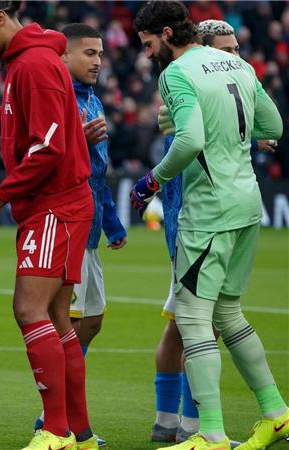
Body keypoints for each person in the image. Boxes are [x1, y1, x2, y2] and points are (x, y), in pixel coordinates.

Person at [132, 2, 287, 449]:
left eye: (148, 44)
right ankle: (276, 413)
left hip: (210, 211)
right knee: (228, 313)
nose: (146, 54)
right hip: (247, 201)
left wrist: (150, 182)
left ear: (166, 32)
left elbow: (191, 140)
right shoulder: (235, 62)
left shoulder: (176, 73)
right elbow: (272, 124)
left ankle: (212, 434)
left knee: (195, 321)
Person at [0, 2, 96, 449]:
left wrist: (1, 194)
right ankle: (81, 433)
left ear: (1, 18)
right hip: (58, 203)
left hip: (55, 205)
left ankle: (55, 432)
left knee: (28, 310)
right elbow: (27, 130)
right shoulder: (25, 61)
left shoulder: (34, 64)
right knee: (57, 317)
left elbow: (48, 146)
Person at [28, 22, 128, 446]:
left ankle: (63, 409)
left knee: (92, 322)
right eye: (89, 53)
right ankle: (57, 416)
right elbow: (42, 158)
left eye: (101, 54)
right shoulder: (59, 98)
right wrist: (76, 141)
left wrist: (111, 222)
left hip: (88, 228)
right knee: (63, 322)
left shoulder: (92, 101)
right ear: (63, 56)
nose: (98, 61)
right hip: (63, 225)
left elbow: (97, 173)